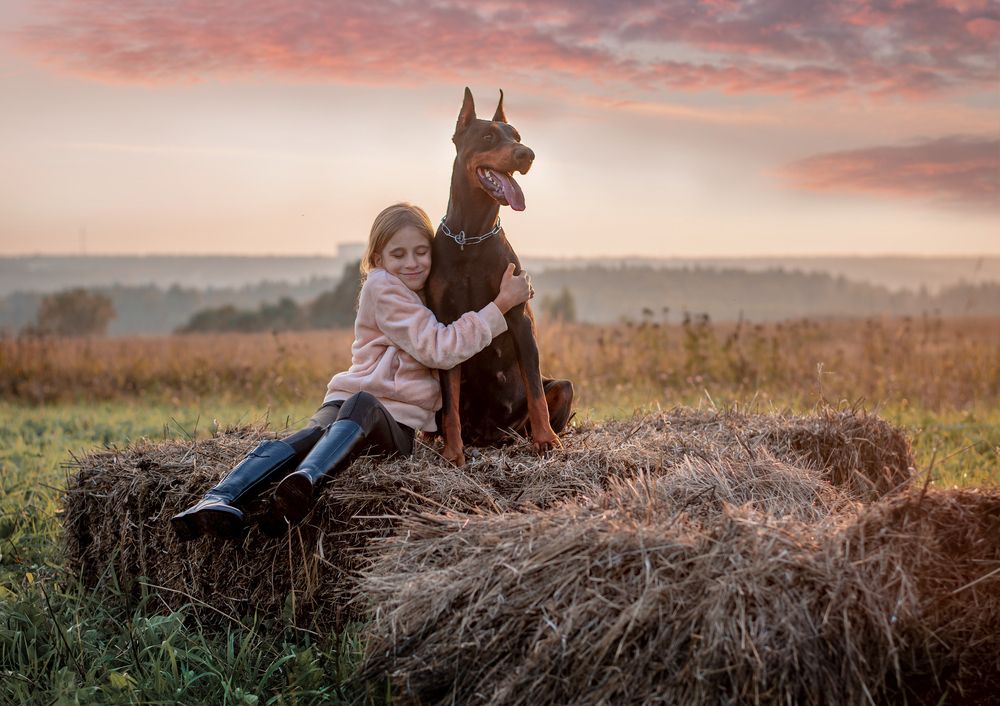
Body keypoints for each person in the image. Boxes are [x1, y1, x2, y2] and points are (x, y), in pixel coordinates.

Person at [171, 202, 533, 541]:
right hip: (361, 405)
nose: (412, 263)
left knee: (317, 432)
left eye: (421, 252)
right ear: (377, 259)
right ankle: (240, 494)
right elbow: (439, 348)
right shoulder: (383, 288)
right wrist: (500, 306)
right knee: (317, 429)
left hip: (390, 426)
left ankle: (246, 494)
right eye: (398, 254)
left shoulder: (429, 293)